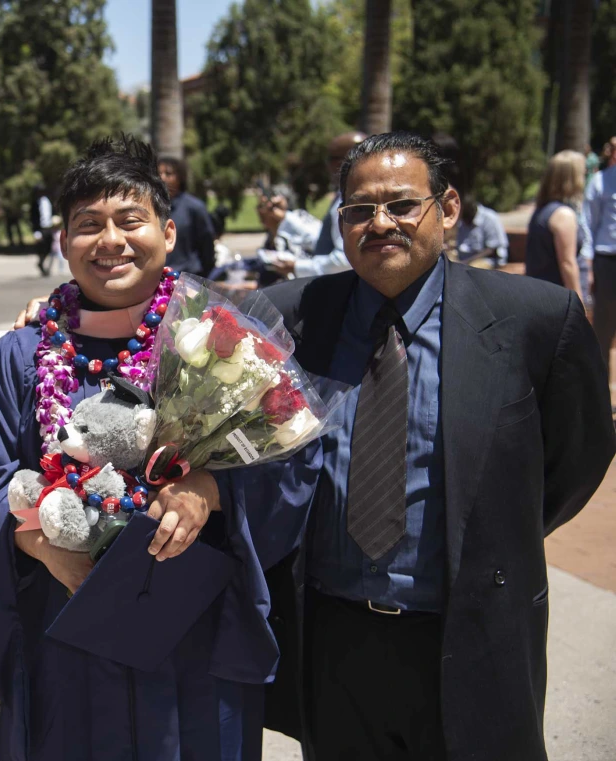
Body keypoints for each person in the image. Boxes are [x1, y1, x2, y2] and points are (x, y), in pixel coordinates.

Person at [0, 135, 320, 760]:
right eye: (88, 225)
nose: (111, 240)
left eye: (130, 220)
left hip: (192, 638)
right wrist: (37, 541)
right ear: (63, 243)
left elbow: (296, 466)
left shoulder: (221, 341)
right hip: (66, 639)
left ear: (168, 233)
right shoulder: (21, 356)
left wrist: (215, 487)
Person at [260, 132, 614, 761]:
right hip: (333, 642)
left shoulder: (536, 320)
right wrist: (60, 317)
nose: (381, 223)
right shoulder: (289, 319)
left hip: (472, 633)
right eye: (359, 210)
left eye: (401, 205)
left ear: (447, 209)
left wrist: (491, 533)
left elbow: (577, 455)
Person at [273, 132, 366, 281]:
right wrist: (285, 217)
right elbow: (327, 239)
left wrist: (297, 266)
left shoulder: (350, 200)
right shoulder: (343, 194)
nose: (328, 165)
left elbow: (344, 260)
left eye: (332, 158)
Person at [525, 151, 586, 303]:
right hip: (558, 299)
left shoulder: (542, 210)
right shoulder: (563, 215)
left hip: (540, 293)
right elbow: (567, 264)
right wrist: (579, 305)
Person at [583, 140, 616, 392]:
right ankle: (603, 385)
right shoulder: (600, 181)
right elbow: (588, 224)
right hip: (607, 258)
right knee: (604, 324)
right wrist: (590, 266)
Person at [158, 156, 216, 275]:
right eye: (159, 173)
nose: (162, 178)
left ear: (180, 178)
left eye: (168, 174)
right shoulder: (150, 207)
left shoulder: (194, 207)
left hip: (187, 277)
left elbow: (207, 244)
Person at [29, 184, 54, 275]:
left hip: (49, 227)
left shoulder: (47, 200)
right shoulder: (35, 203)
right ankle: (41, 263)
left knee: (49, 246)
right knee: (41, 247)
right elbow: (33, 218)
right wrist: (36, 231)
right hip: (40, 228)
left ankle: (42, 262)